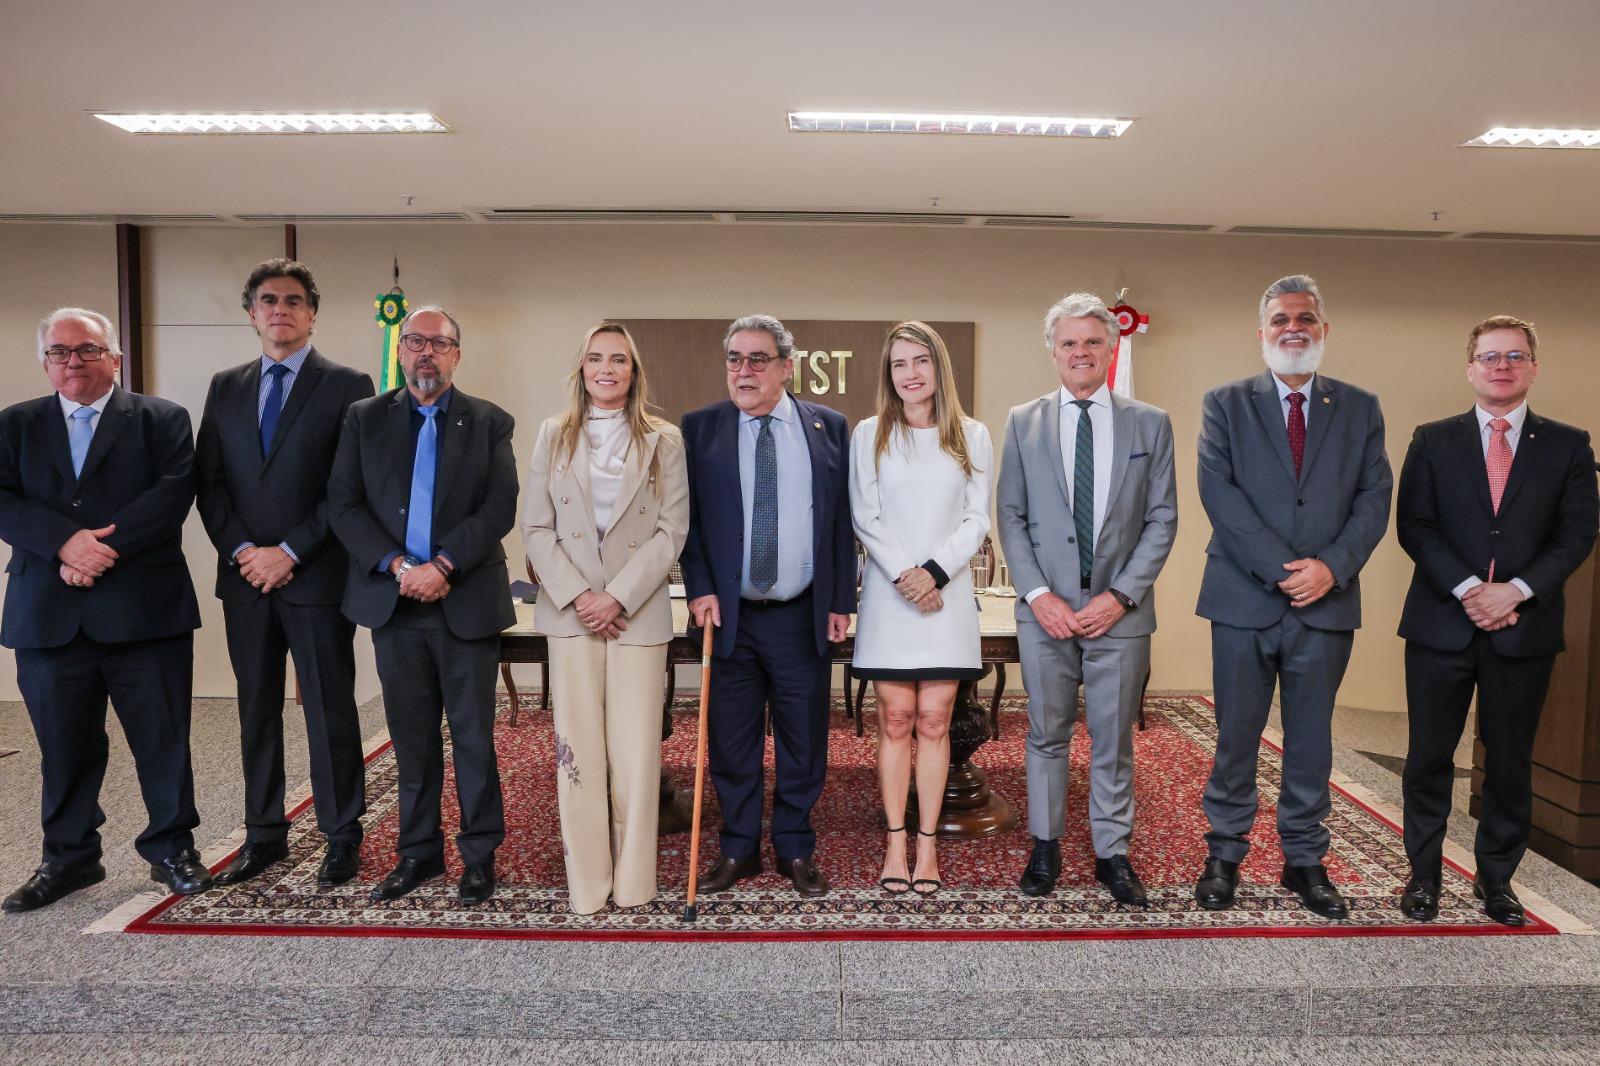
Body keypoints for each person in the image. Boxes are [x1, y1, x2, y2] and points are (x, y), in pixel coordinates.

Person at [1194, 274, 1392, 919]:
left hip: (1327, 602)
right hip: (1243, 599)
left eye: (1305, 318)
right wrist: (1286, 571)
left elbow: (1374, 497)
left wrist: (1330, 568)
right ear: (1263, 333)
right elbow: (1219, 494)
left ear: (1323, 329)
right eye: (1280, 319)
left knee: (1311, 739)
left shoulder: (1359, 407)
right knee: (1236, 735)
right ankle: (1224, 854)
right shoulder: (1226, 403)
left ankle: (1304, 860)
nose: (1293, 328)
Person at [0, 308, 210, 913]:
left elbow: (172, 494)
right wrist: (64, 544)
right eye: (60, 352)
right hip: (48, 612)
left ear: (114, 358)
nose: (73, 362)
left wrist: (96, 553)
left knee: (162, 739)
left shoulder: (161, 419)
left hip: (144, 610)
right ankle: (69, 857)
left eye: (88, 349)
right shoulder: (15, 424)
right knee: (62, 744)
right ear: (45, 363)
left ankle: (172, 849)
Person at [1395, 315, 1598, 925]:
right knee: (1428, 757)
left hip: (1524, 627)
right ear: (1470, 368)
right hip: (1441, 624)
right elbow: (1415, 527)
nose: (1502, 366)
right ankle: (1423, 876)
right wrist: (1470, 591)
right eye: (1490, 356)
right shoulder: (1433, 440)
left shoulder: (1569, 445)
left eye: (1514, 356)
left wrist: (1514, 592)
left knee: (1510, 762)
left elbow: (1577, 534)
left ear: (1533, 367)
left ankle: (1498, 879)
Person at [196, 258, 376, 889]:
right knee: (256, 709)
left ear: (312, 314)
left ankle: (342, 834)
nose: (281, 310)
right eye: (268, 300)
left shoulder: (348, 384)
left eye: (294, 300)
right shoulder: (225, 387)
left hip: (316, 577)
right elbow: (210, 484)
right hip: (245, 581)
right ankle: (264, 834)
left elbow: (348, 486)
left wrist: (290, 552)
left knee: (329, 709)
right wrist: (246, 551)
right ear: (252, 314)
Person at [328, 305, 517, 905]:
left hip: (466, 601)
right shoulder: (364, 418)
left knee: (472, 738)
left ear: (457, 354)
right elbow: (343, 505)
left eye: (439, 343)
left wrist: (443, 565)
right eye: (414, 341)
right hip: (394, 603)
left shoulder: (489, 421)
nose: (425, 352)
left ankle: (479, 855)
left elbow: (499, 506)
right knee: (410, 737)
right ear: (400, 351)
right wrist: (398, 566)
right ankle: (418, 851)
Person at [997, 293, 1177, 905]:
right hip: (1044, 614)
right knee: (1046, 734)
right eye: (1069, 342)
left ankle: (1112, 854)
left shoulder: (1149, 422)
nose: (1081, 352)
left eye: (1093, 341)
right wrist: (1038, 595)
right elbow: (1010, 516)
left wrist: (1121, 596)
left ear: (1111, 348)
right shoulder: (1023, 422)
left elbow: (1162, 519)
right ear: (1053, 352)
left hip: (1119, 617)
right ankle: (1045, 847)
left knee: (1113, 739)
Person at [680, 314, 854, 898]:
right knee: (732, 742)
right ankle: (738, 848)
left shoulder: (828, 427)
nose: (744, 370)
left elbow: (840, 523)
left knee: (804, 739)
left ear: (786, 367)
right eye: (734, 359)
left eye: (758, 359)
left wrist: (840, 599)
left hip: (800, 614)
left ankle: (795, 846)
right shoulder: (700, 428)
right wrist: (699, 586)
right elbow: (687, 522)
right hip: (728, 616)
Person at [521, 323, 689, 914]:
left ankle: (635, 882)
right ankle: (588, 884)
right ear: (582, 368)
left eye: (618, 359)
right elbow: (535, 527)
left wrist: (616, 596)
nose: (606, 369)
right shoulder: (554, 434)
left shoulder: (664, 440)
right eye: (596, 358)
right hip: (572, 616)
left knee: (637, 754)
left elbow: (672, 531)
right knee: (579, 754)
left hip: (636, 616)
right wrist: (581, 596)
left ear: (633, 370)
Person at [850, 321, 991, 895]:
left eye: (920, 361)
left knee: (935, 719)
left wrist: (932, 574)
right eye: (899, 364)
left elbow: (977, 519)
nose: (910, 374)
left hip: (946, 596)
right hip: (891, 596)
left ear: (939, 368)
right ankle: (894, 841)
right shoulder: (870, 433)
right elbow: (864, 515)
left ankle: (927, 845)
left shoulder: (972, 435)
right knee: (895, 719)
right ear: (889, 374)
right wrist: (907, 576)